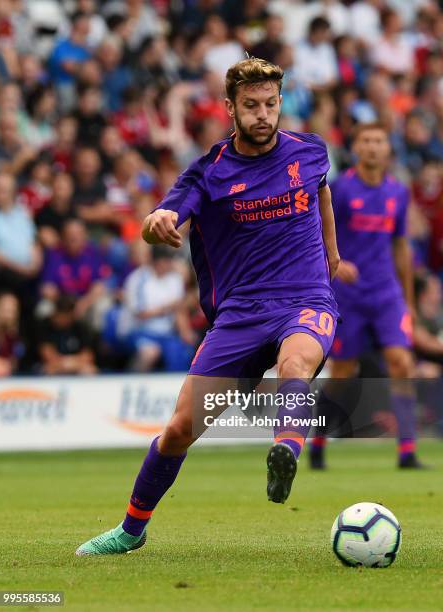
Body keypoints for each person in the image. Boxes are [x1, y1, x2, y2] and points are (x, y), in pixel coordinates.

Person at [76, 57, 340, 556]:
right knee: (178, 430)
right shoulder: (210, 171)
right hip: (239, 314)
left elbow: (321, 190)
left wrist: (331, 249)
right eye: (251, 106)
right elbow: (166, 212)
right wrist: (156, 222)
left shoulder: (311, 150)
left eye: (270, 104)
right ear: (229, 108)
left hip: (305, 298)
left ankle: (286, 447)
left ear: (280, 103)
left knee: (296, 361)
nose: (263, 114)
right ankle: (131, 531)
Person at [308, 122, 424, 470]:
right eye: (366, 141)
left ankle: (407, 451)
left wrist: (408, 301)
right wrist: (335, 262)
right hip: (349, 294)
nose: (373, 147)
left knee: (402, 362)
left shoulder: (398, 192)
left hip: (386, 292)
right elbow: (317, 230)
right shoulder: (340, 190)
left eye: (379, 141)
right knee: (343, 371)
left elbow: (400, 245)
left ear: (388, 149)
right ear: (356, 148)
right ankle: (316, 441)